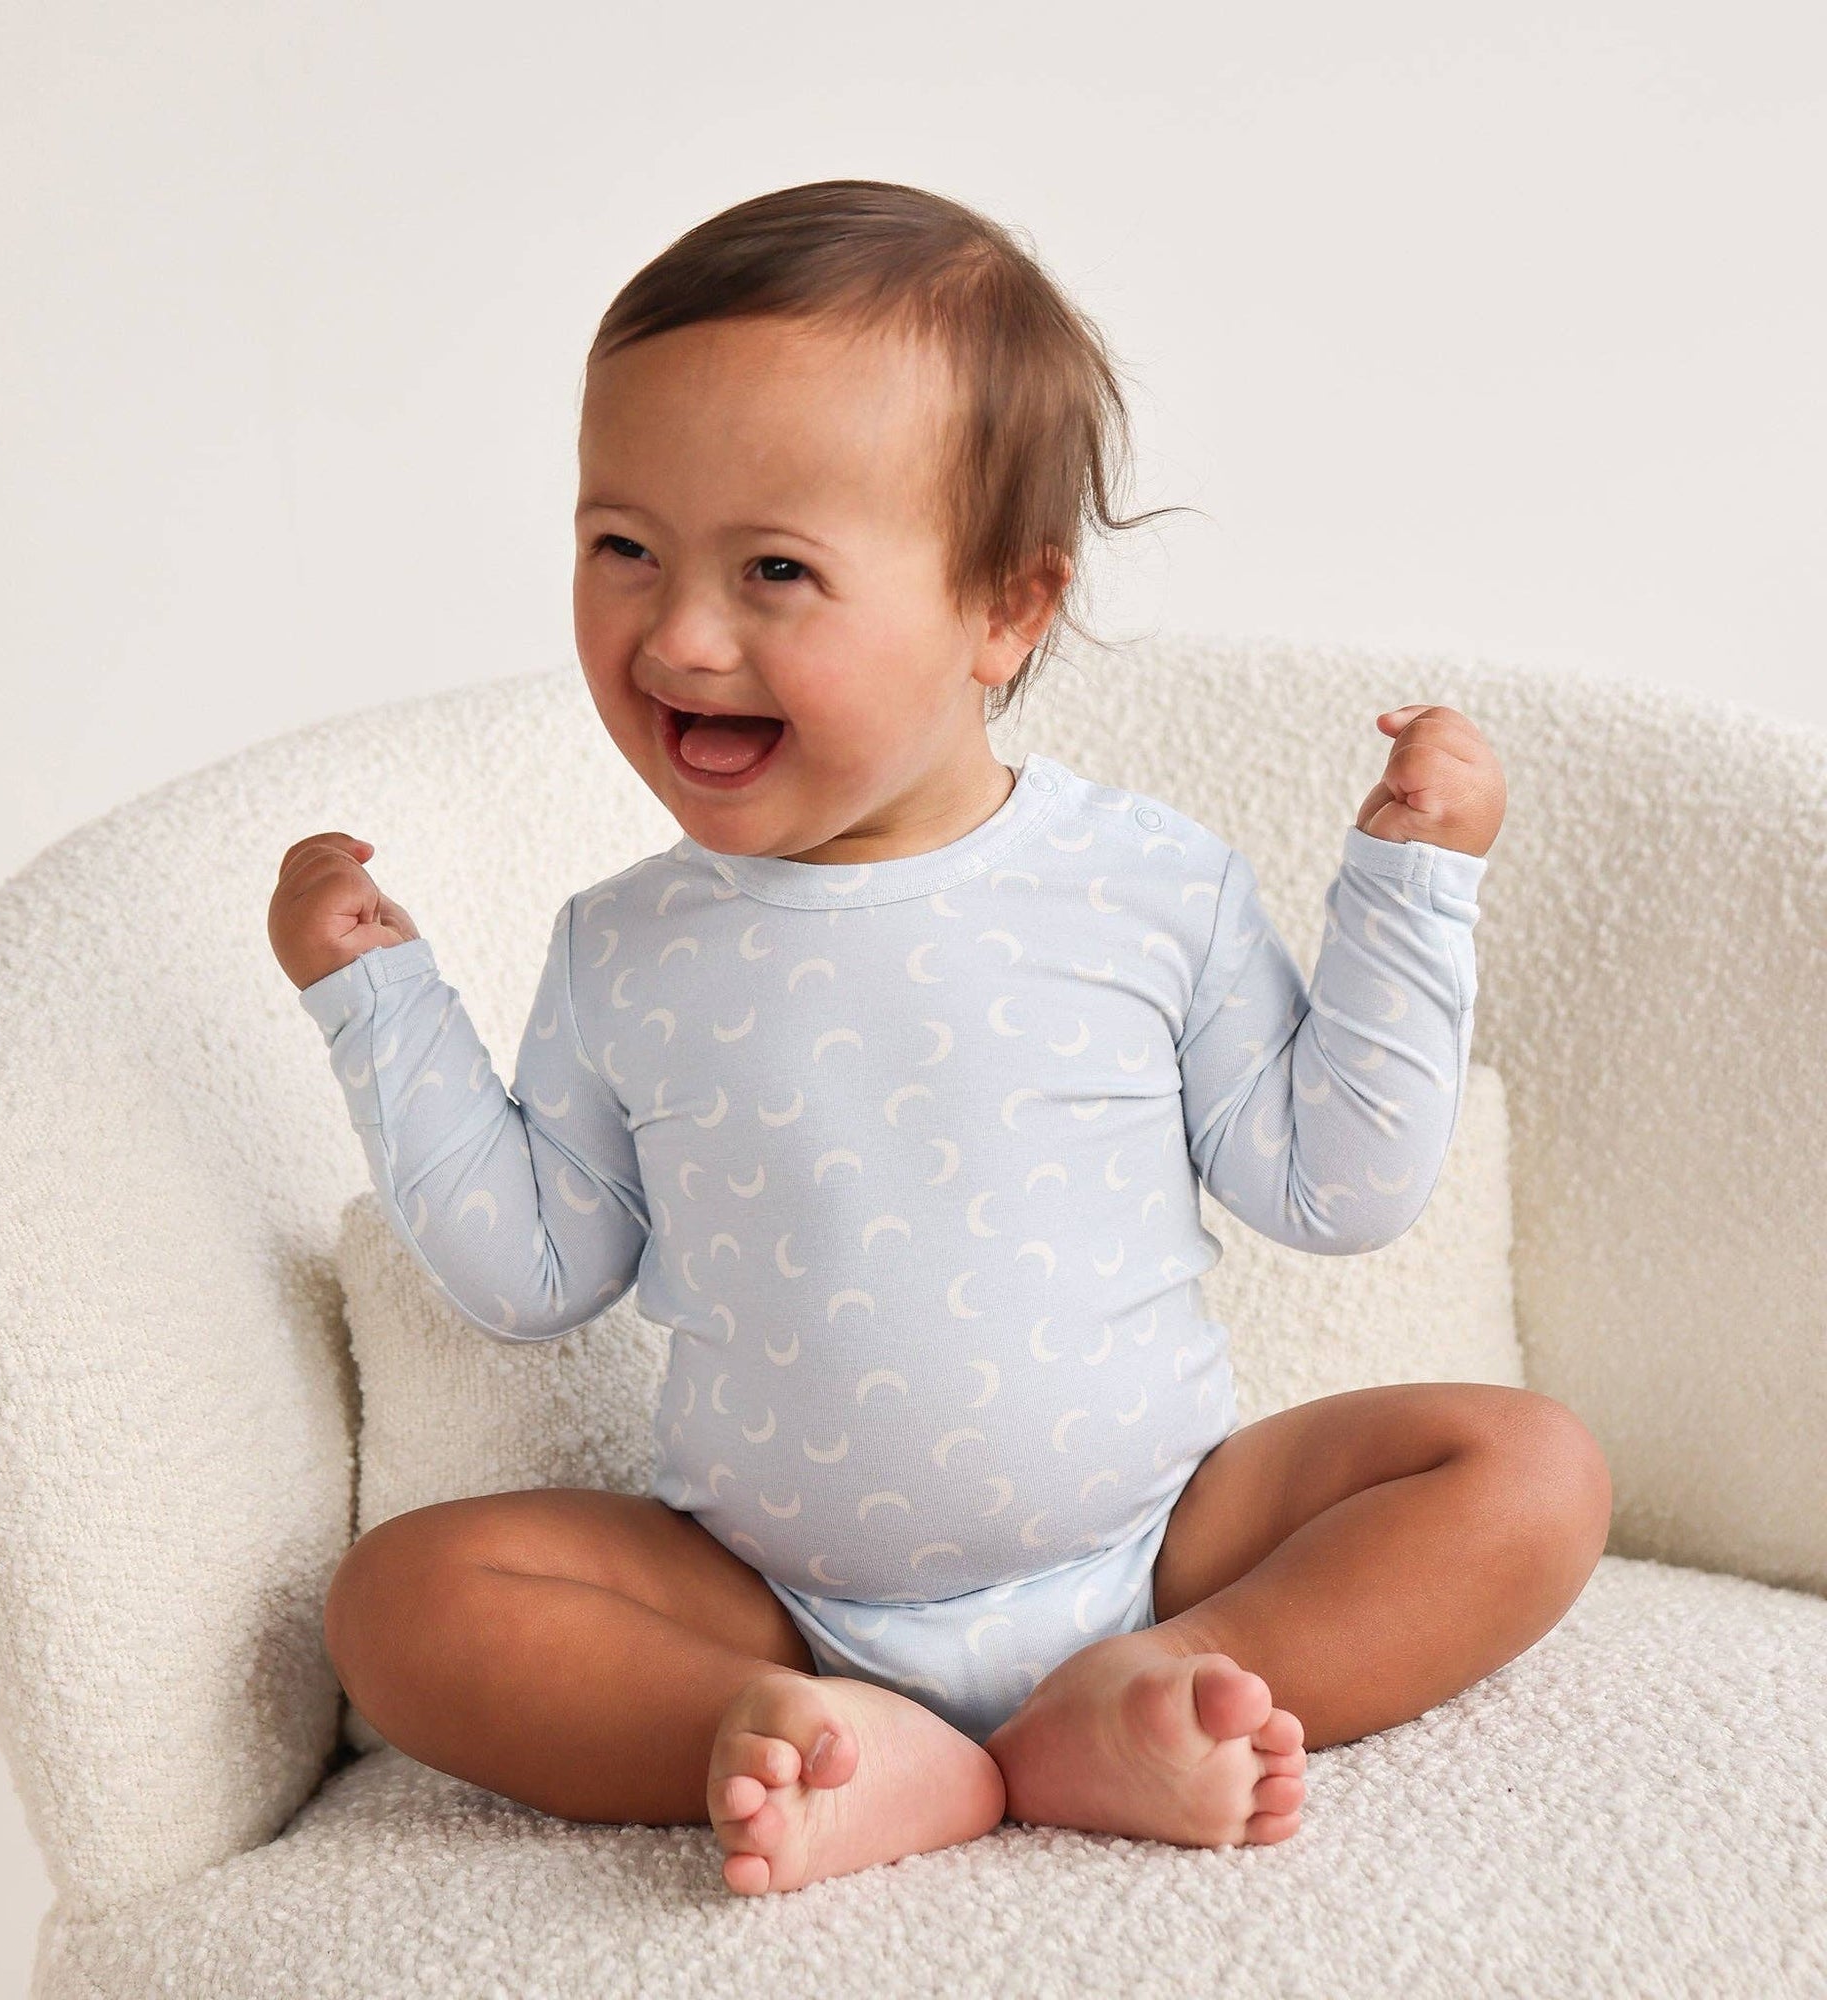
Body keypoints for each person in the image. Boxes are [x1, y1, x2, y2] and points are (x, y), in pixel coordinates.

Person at [267, 179, 1609, 1897]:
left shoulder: (1145, 884)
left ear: (1006, 612)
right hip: (768, 1587)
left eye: (775, 570)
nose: (678, 637)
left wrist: (1414, 889)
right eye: (624, 547)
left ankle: (1153, 1688)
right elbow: (534, 1272)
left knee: (1527, 1466)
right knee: (400, 1607)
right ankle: (791, 1732)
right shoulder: (626, 944)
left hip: (1166, 1542)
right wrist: (377, 999)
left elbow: (1337, 1186)